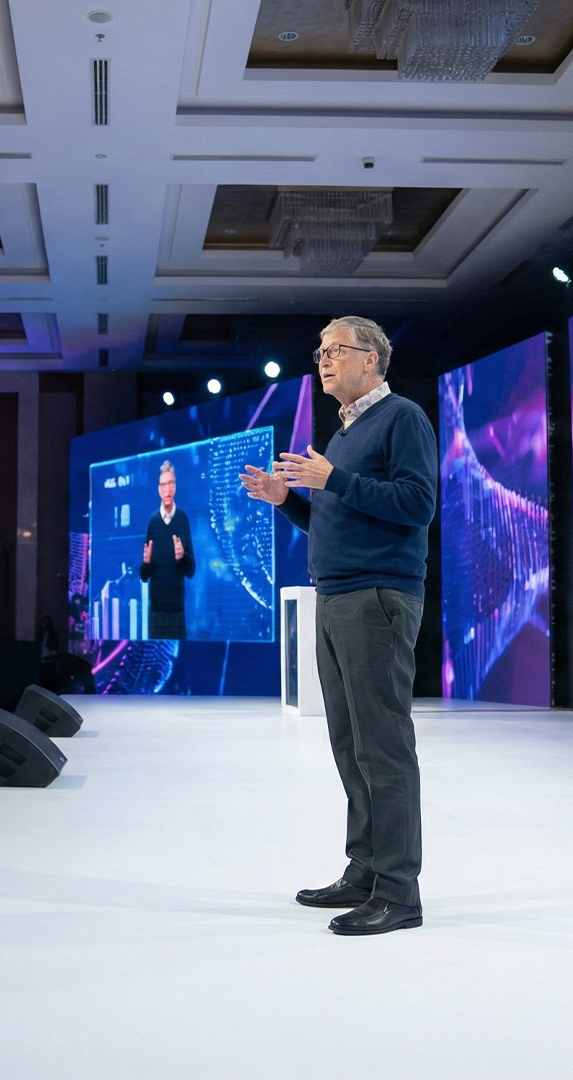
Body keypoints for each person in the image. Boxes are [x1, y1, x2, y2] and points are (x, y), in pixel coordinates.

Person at [240, 315, 438, 936]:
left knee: (384, 746)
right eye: (320, 351)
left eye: (336, 349)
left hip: (378, 598)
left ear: (372, 358)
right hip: (339, 597)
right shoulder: (346, 431)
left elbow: (417, 504)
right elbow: (339, 519)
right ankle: (366, 870)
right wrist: (290, 500)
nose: (323, 359)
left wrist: (334, 479)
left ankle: (400, 892)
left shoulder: (401, 417)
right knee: (350, 745)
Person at [139, 461, 196, 639]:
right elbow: (144, 575)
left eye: (171, 483)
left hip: (177, 613)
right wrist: (146, 563)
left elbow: (191, 570)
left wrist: (182, 557)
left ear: (175, 486)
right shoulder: (153, 523)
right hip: (156, 613)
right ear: (158, 489)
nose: (167, 489)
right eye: (164, 484)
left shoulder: (182, 519)